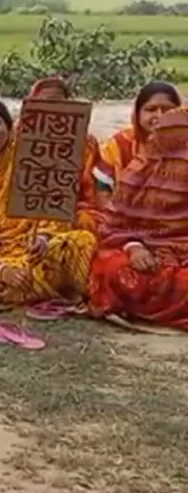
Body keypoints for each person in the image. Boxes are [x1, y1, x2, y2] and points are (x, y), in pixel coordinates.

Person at [0, 99, 96, 306]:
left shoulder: (30, 160)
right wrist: (1, 270)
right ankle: (39, 288)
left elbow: (50, 214)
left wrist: (42, 238)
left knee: (81, 241)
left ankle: (27, 287)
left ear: (8, 126)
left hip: (30, 250)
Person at [88, 107, 188, 330]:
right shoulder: (138, 171)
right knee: (110, 268)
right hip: (143, 253)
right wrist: (134, 248)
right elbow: (113, 226)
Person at [27, 77, 102, 231]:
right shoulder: (18, 139)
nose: (52, 109)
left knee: (88, 223)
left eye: (58, 102)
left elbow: (90, 192)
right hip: (27, 210)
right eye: (44, 103)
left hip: (70, 210)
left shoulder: (86, 143)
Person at [94, 81, 181, 195]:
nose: (159, 116)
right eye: (151, 109)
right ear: (137, 113)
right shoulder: (119, 145)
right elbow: (102, 188)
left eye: (167, 110)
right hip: (121, 210)